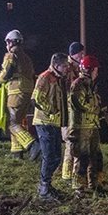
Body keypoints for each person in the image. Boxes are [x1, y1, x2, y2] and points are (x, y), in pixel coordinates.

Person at [32, 53, 70, 200]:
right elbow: (36, 98)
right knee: (49, 156)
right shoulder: (45, 77)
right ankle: (44, 189)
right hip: (44, 122)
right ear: (56, 65)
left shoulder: (59, 79)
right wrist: (51, 110)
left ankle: (47, 185)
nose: (67, 68)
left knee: (56, 157)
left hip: (54, 123)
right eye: (64, 66)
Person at [0, 29, 40, 160]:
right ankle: (17, 152)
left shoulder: (11, 55)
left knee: (12, 123)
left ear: (11, 42)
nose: (6, 45)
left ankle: (32, 145)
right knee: (18, 121)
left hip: (16, 92)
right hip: (27, 92)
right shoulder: (27, 58)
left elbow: (7, 73)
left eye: (7, 42)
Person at [68, 55, 104, 195]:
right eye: (96, 69)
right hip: (81, 127)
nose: (97, 72)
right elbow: (79, 104)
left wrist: (101, 110)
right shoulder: (79, 85)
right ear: (89, 69)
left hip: (92, 126)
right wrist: (96, 109)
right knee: (82, 157)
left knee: (96, 156)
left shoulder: (91, 85)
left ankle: (94, 184)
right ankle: (78, 186)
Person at [61, 41, 86, 183]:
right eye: (80, 53)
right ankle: (66, 175)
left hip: (74, 110)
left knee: (75, 143)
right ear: (74, 54)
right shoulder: (68, 68)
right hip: (68, 110)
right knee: (70, 142)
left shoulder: (76, 68)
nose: (83, 55)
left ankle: (72, 173)